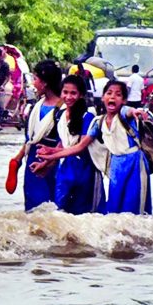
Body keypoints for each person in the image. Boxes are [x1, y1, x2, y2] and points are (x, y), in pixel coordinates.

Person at [39, 80, 152, 215]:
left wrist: (135, 110)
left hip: (134, 164)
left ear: (124, 100)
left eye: (117, 95)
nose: (112, 97)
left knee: (134, 206)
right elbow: (80, 145)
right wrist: (51, 154)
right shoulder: (99, 122)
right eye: (109, 93)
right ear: (103, 97)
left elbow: (128, 111)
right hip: (115, 166)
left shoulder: (124, 115)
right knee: (114, 209)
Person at [45, 75, 106, 215]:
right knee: (61, 212)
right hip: (65, 169)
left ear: (81, 95)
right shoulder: (60, 116)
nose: (68, 96)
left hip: (85, 171)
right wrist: (47, 158)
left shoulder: (88, 117)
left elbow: (80, 147)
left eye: (73, 93)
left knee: (86, 215)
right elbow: (63, 143)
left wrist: (51, 155)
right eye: (65, 92)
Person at [8, 60, 63, 212]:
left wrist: (46, 164)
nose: (33, 83)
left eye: (35, 79)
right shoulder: (36, 106)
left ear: (45, 83)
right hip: (32, 161)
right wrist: (17, 160)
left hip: (52, 163)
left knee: (50, 208)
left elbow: (64, 143)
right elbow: (30, 139)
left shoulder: (63, 109)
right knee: (32, 207)